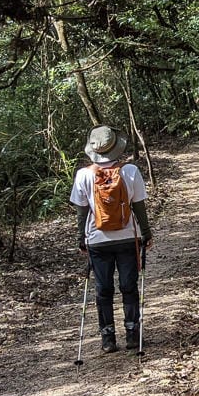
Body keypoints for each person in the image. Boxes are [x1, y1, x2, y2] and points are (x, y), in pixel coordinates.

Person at [70, 125, 154, 353]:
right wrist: (146, 233)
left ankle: (108, 339)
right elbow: (139, 207)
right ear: (116, 147)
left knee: (103, 289)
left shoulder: (83, 175)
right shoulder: (130, 171)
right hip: (128, 238)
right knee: (129, 286)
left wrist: (81, 238)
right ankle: (132, 334)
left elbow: (82, 212)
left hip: (97, 240)